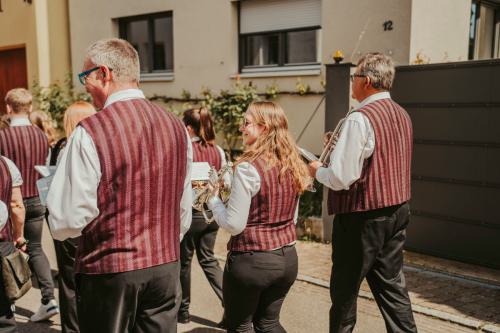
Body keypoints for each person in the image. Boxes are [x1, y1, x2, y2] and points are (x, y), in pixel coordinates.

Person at [46, 38, 192, 333]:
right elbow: (183, 205)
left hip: (109, 271)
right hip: (164, 266)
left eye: (85, 77)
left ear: (104, 73)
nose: (84, 86)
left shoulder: (88, 132)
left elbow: (66, 221)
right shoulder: (176, 125)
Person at [309, 52, 417, 333]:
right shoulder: (402, 114)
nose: (351, 83)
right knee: (392, 287)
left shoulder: (359, 119)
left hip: (362, 217)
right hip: (397, 210)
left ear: (366, 80)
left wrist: (316, 170)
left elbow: (342, 177)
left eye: (353, 77)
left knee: (344, 292)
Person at [207, 101, 311, 332]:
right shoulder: (293, 162)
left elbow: (234, 224)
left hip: (252, 261)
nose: (241, 128)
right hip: (287, 257)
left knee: (240, 326)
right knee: (268, 323)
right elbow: (291, 217)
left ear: (264, 127)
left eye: (246, 123)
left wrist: (213, 200)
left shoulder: (247, 167)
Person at [0, 88, 59, 322]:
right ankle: (48, 298)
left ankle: (8, 302)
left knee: (7, 252)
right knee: (35, 248)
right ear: (30, 107)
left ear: (8, 108)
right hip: (36, 198)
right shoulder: (41, 135)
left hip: (12, 200)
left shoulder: (3, 137)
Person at [50, 101, 96, 333]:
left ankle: (73, 328)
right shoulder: (96, 146)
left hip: (71, 222)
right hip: (94, 222)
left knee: (68, 280)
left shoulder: (66, 149)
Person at [179, 107, 226, 326]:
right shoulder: (218, 150)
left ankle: (183, 311)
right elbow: (225, 181)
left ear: (188, 127)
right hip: (212, 213)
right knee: (208, 260)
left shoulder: (185, 149)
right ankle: (231, 302)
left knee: (184, 263)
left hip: (191, 214)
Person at [0, 155, 26, 333]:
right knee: (4, 315)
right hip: (3, 244)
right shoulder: (5, 163)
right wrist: (19, 236)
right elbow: (16, 205)